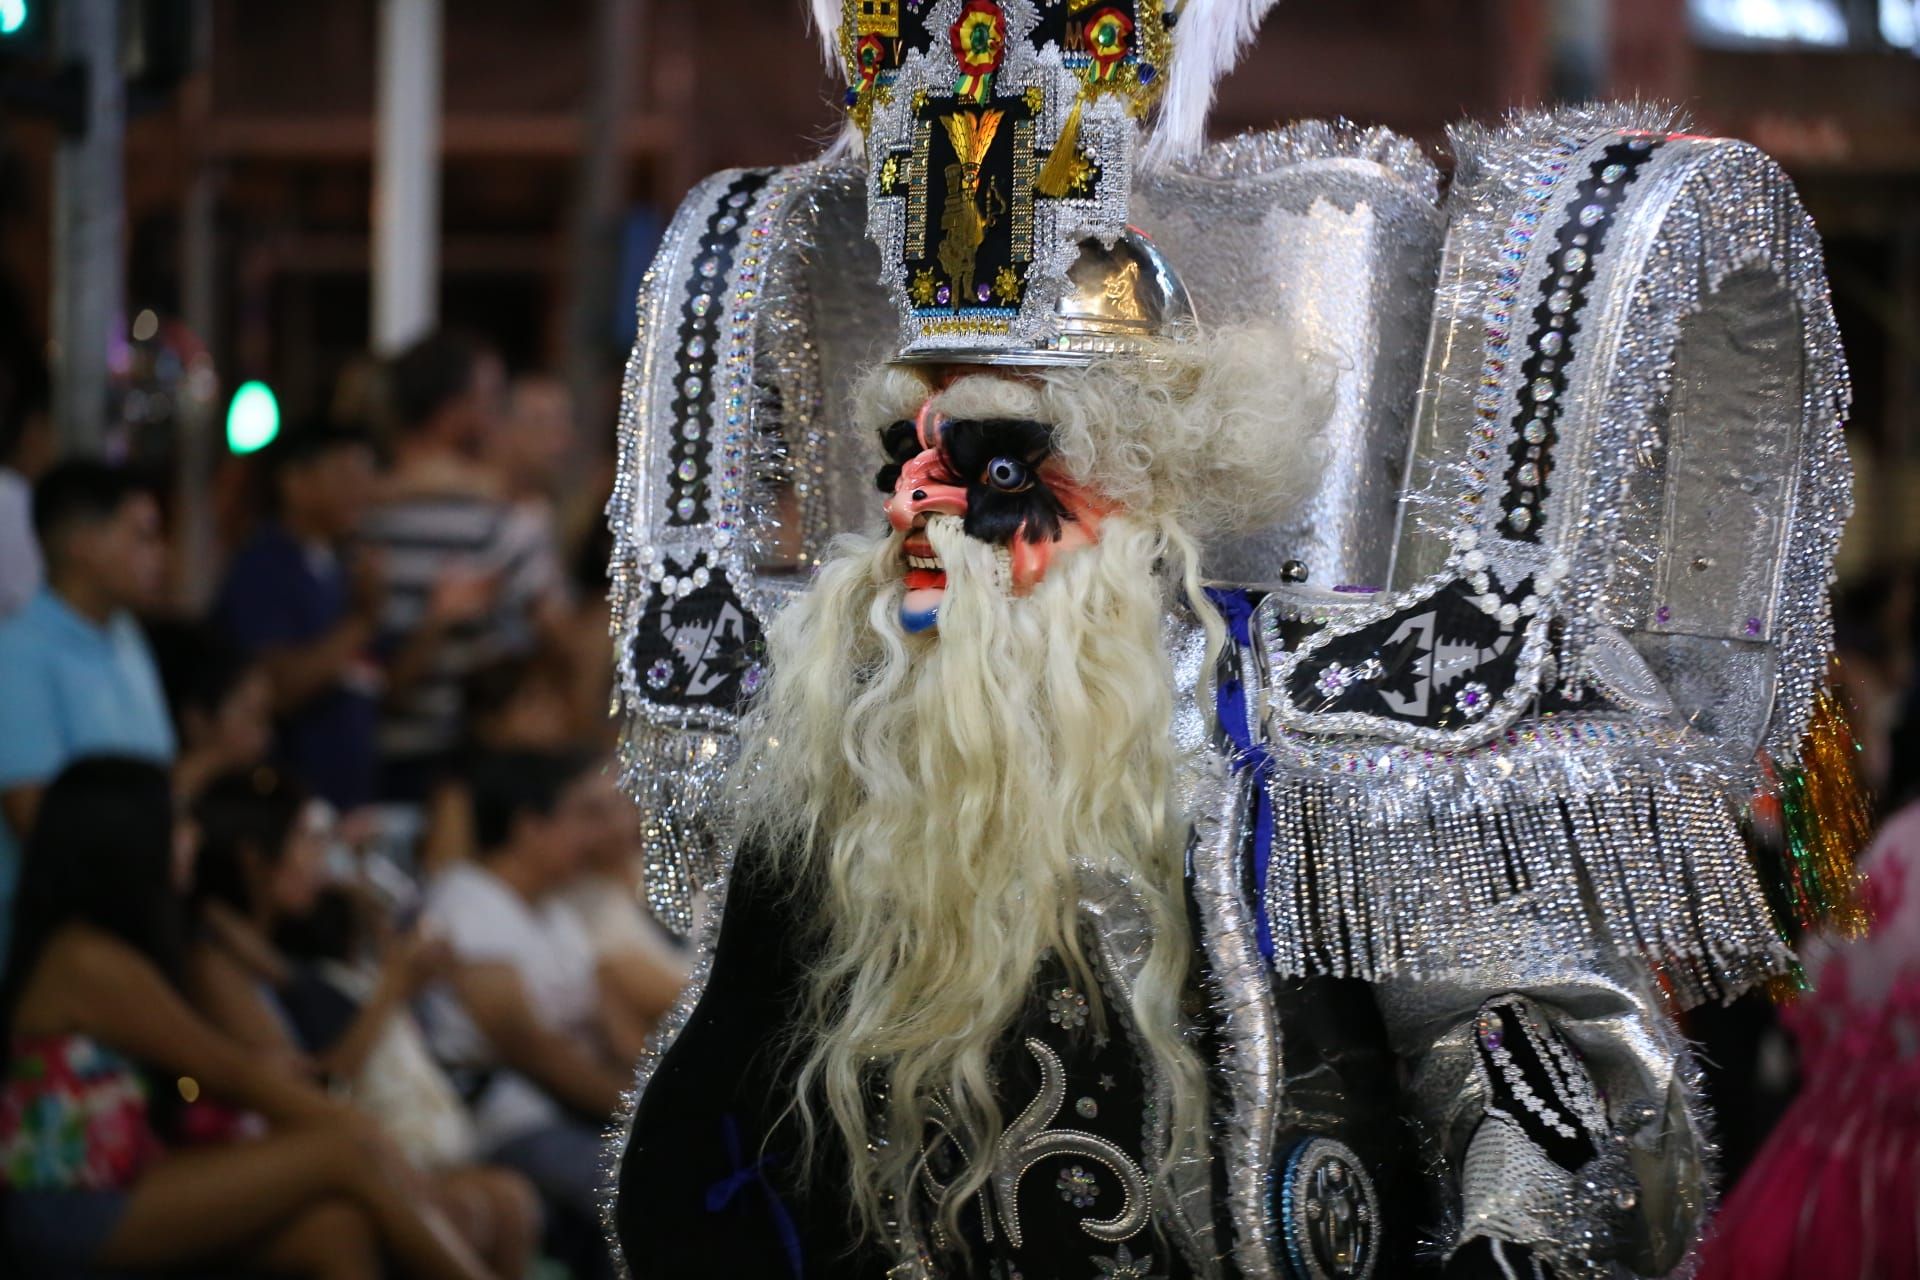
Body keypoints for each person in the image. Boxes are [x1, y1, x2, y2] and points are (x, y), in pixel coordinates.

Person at [610, 11, 1856, 1279]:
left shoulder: (1332, 713)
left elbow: (1518, 1044)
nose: (922, 504)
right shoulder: (846, 721)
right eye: (905, 458)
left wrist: (1512, 1226)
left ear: (1139, 478)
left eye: (993, 465)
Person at [0, 756, 498, 1280]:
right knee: (346, 1147)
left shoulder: (125, 948)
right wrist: (356, 1127)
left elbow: (217, 1073)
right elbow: (226, 1072)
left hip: (128, 1177)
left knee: (335, 1229)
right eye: (177, 822)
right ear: (129, 842)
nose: (192, 836)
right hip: (73, 1205)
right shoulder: (88, 959)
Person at [183, 767, 540, 1278]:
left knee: (511, 1198)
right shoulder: (217, 968)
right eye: (306, 841)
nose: (320, 860)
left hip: (351, 1143)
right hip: (292, 1156)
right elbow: (316, 1090)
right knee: (471, 1209)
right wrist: (393, 988)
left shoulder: (279, 946)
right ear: (253, 857)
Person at [420, 750, 628, 1274]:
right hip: (507, 1125)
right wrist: (640, 1114)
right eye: (579, 816)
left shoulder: (555, 909)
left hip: (573, 1110)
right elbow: (534, 1051)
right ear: (529, 827)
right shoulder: (466, 903)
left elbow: (616, 1032)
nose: (593, 836)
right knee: (638, 1183)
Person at [360, 332, 567, 803]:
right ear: (455, 412)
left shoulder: (357, 516)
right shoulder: (505, 522)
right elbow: (557, 644)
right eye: (491, 399)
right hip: (464, 775)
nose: (500, 418)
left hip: (367, 767)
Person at [0, 463, 173, 961]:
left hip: (136, 917)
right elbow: (32, 816)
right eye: (142, 536)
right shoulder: (18, 653)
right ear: (82, 545)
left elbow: (155, 782)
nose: (158, 555)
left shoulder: (127, 638)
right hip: (58, 941)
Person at [214, 423, 384, 812]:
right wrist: (362, 619)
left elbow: (382, 684)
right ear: (295, 482)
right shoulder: (264, 566)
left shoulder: (345, 568)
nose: (361, 492)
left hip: (350, 807)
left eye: (366, 477)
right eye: (344, 476)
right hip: (285, 805)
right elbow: (278, 689)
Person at [419, 654, 576, 873]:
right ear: (488, 722)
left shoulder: (568, 782)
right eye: (531, 701)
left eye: (552, 697)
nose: (553, 712)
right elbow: (445, 873)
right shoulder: (458, 790)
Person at [148, 621, 275, 801]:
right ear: (197, 721)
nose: (263, 737)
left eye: (265, 719)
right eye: (251, 718)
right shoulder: (160, 792)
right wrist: (217, 757)